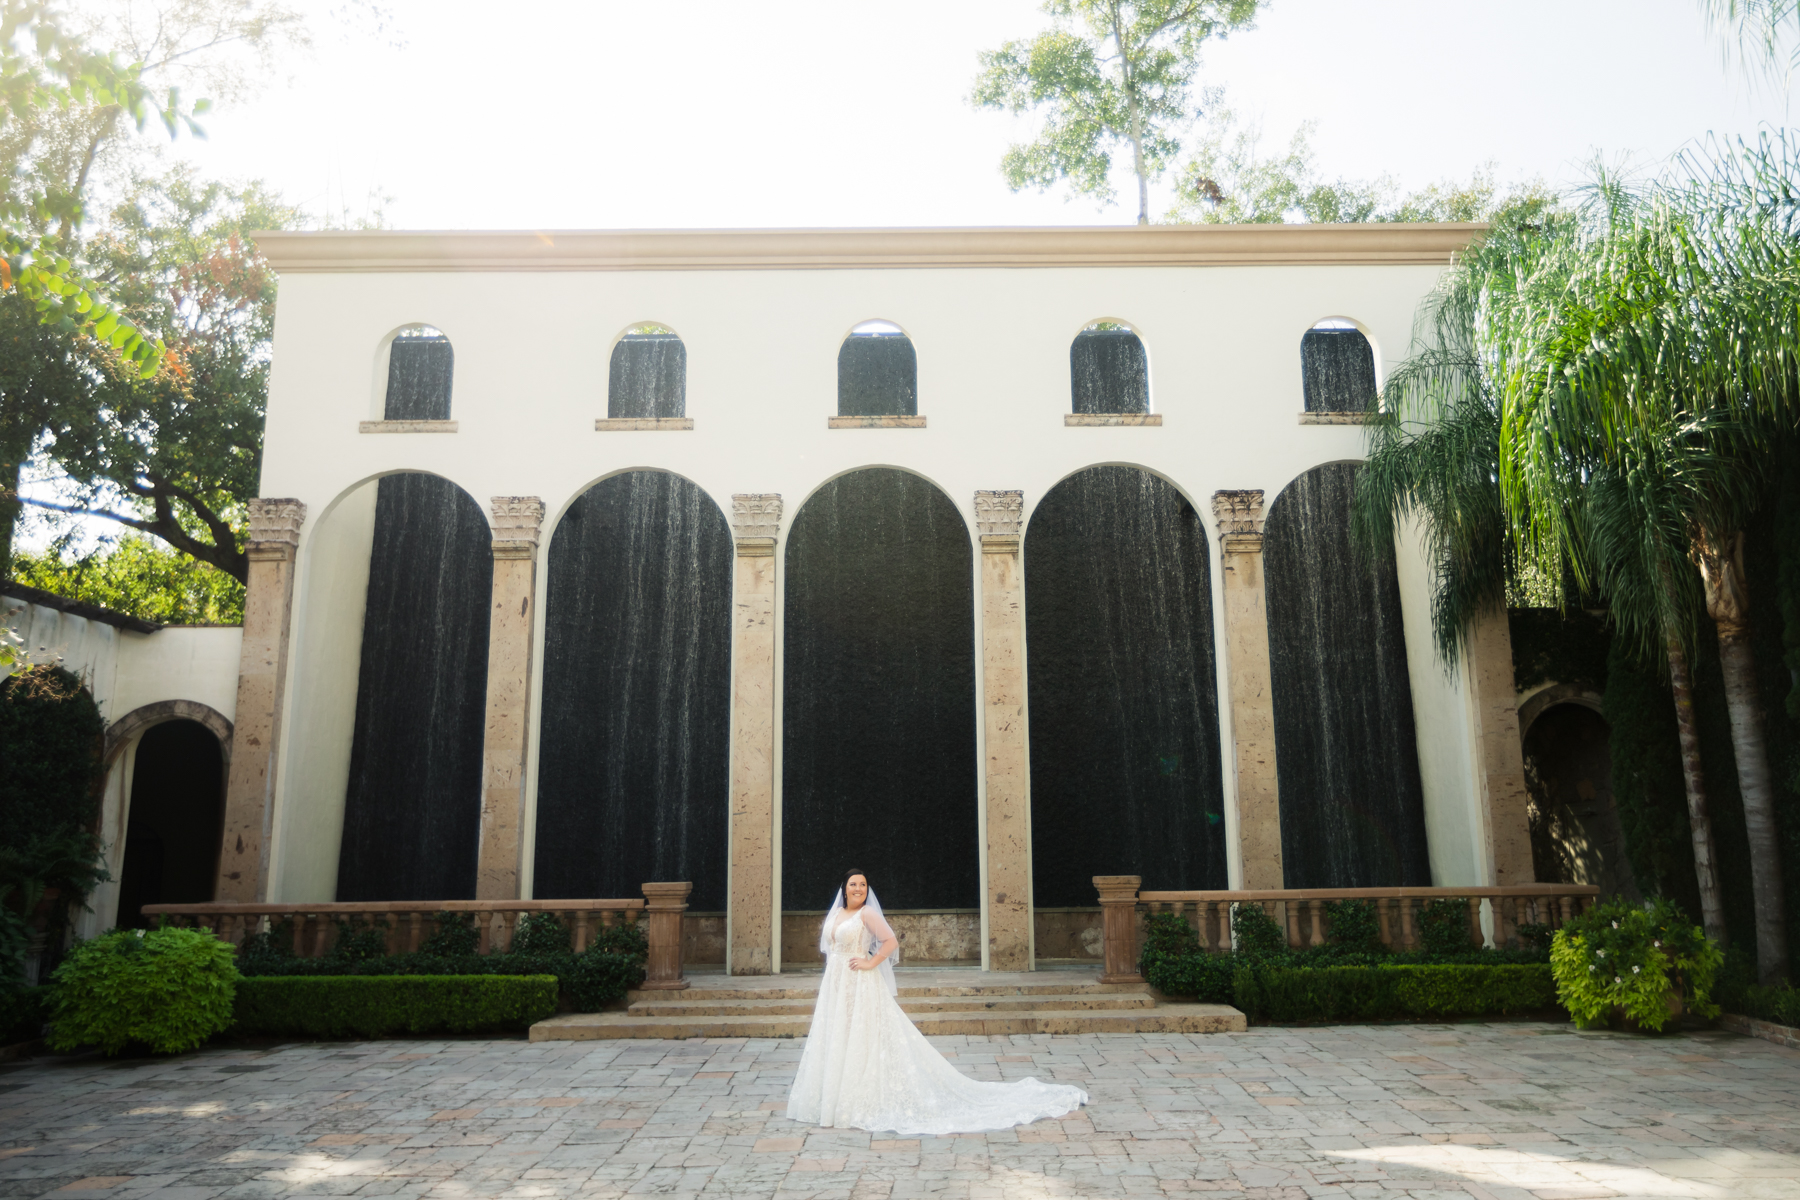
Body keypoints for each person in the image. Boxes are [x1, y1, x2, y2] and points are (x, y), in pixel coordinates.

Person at [785, 868, 1088, 1136]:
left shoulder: (868, 914)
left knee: (862, 1037)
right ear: (844, 888)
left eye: (863, 885)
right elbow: (830, 946)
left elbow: (890, 941)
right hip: (836, 984)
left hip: (861, 984)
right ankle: (833, 1099)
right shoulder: (837, 914)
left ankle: (855, 1100)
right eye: (853, 884)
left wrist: (869, 963)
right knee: (837, 1035)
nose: (858, 889)